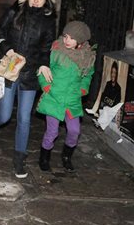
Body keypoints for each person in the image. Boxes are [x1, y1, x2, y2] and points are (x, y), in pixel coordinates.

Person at [0, 0, 57, 178]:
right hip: (9, 69)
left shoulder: (48, 22)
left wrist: (43, 64)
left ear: (46, 0)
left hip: (29, 75)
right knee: (5, 115)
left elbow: (45, 49)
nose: (37, 0)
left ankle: (19, 159)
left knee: (24, 118)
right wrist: (8, 49)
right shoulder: (15, 12)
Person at [36, 21, 96, 173]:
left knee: (74, 131)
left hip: (72, 99)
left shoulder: (87, 57)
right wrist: (46, 86)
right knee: (52, 131)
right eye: (65, 36)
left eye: (71, 38)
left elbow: (87, 75)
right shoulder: (57, 50)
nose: (66, 41)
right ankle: (44, 158)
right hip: (54, 97)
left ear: (81, 41)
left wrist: (83, 89)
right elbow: (44, 69)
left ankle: (67, 156)